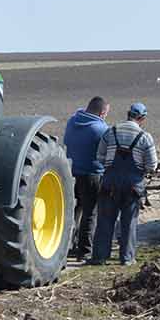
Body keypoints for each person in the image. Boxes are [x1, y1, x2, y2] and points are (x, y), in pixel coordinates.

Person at [91, 102, 158, 266]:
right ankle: (127, 258)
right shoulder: (145, 137)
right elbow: (152, 165)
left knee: (105, 221)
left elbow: (99, 156)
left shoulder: (110, 132)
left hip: (110, 183)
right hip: (133, 186)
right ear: (141, 118)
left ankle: (100, 257)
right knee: (129, 222)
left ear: (128, 114)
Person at [62, 97, 110, 260]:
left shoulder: (72, 121)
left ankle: (66, 245)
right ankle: (84, 250)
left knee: (73, 210)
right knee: (90, 213)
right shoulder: (101, 129)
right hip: (92, 174)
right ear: (102, 112)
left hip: (71, 172)